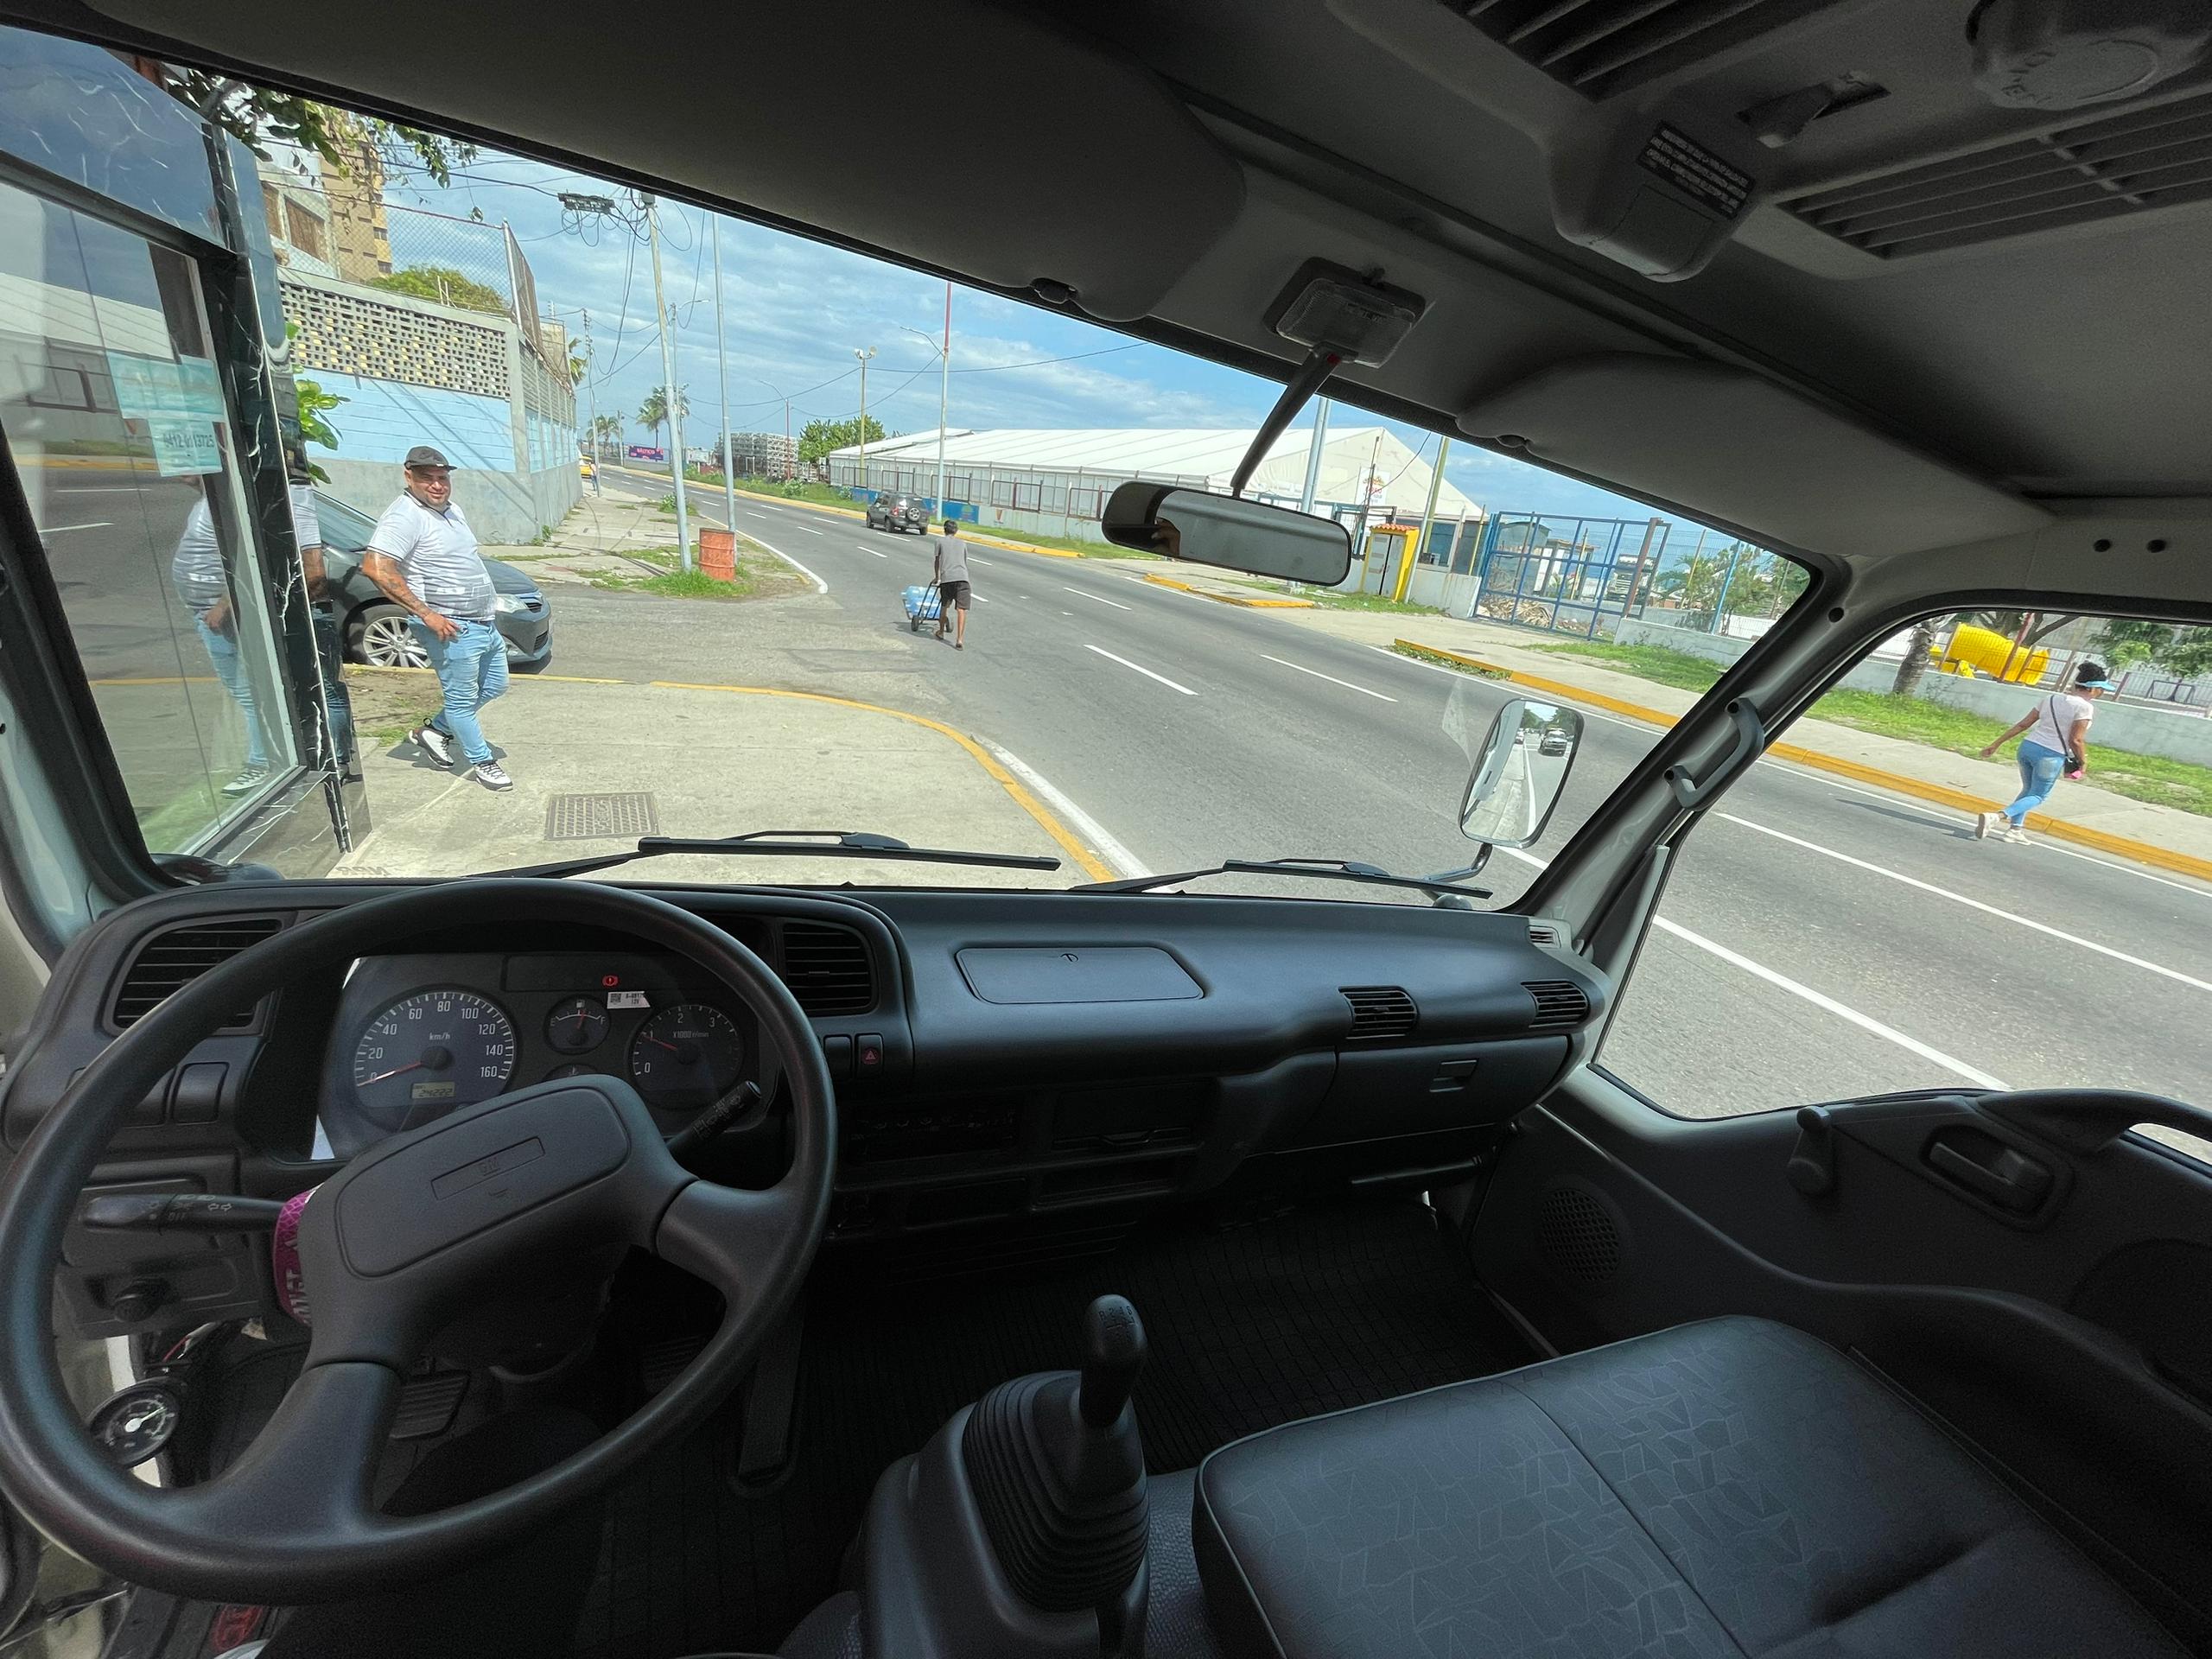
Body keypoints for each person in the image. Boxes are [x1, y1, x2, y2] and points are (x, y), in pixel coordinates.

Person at [362, 445, 512, 791]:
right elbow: (376, 567)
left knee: (495, 685)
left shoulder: (452, 511)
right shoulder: (405, 516)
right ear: (408, 477)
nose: (436, 485)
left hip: (482, 623)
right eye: (427, 478)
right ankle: (482, 762)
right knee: (461, 702)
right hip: (451, 626)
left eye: (442, 478)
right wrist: (426, 614)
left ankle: (434, 731)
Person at [169, 473, 318, 798]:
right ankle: (269, 757)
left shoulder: (230, 501)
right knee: (247, 692)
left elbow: (252, 556)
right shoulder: (210, 498)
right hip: (208, 612)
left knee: (251, 693)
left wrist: (225, 603)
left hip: (226, 615)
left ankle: (262, 763)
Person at [1975, 661, 2117, 844]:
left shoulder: (2050, 699)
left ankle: (2015, 830)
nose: (2102, 693)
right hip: (2050, 755)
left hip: (2028, 747)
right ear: (2092, 689)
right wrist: (2083, 761)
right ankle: (1997, 816)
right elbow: (2076, 740)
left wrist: (1996, 744)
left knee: (2028, 790)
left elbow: (2023, 724)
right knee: (2038, 795)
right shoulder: (2085, 707)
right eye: (2101, 689)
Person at [931, 518, 972, 649]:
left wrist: (937, 577)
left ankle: (941, 631)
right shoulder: (963, 543)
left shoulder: (939, 541)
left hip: (947, 578)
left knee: (944, 606)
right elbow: (964, 561)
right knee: (961, 610)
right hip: (963, 579)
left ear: (944, 530)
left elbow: (937, 561)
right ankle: (959, 640)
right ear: (956, 531)